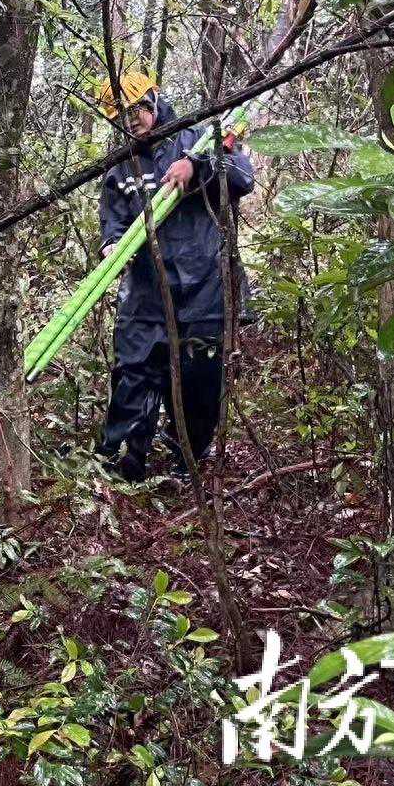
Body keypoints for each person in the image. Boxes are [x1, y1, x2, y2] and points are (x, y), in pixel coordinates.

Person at [94, 71, 254, 481]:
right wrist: (111, 244)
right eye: (121, 115)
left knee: (200, 379)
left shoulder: (197, 138)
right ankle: (125, 464)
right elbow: (112, 218)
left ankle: (187, 460)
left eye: (136, 110)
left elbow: (242, 178)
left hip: (204, 286)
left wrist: (195, 169)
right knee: (133, 372)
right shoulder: (119, 168)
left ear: (153, 100)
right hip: (145, 292)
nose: (131, 120)